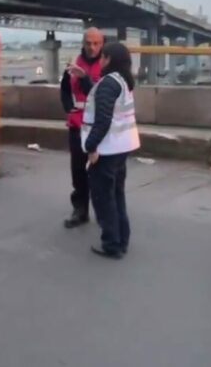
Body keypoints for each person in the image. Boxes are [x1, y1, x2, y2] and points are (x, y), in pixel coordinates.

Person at [82, 42, 140, 260]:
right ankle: (122, 239)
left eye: (102, 57)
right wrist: (85, 80)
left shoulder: (108, 83)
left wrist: (91, 146)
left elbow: (103, 119)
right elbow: (105, 105)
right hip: (122, 147)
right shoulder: (123, 82)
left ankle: (111, 244)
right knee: (116, 195)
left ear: (108, 59)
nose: (100, 60)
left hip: (107, 149)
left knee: (103, 198)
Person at [59, 27, 104, 228]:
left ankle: (104, 214)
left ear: (102, 44)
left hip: (99, 126)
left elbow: (98, 95)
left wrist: (85, 78)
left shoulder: (106, 65)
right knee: (78, 170)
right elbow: (65, 89)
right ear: (83, 42)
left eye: (96, 43)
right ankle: (80, 210)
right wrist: (69, 109)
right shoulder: (74, 62)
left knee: (101, 171)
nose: (92, 47)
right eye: (88, 43)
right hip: (77, 125)